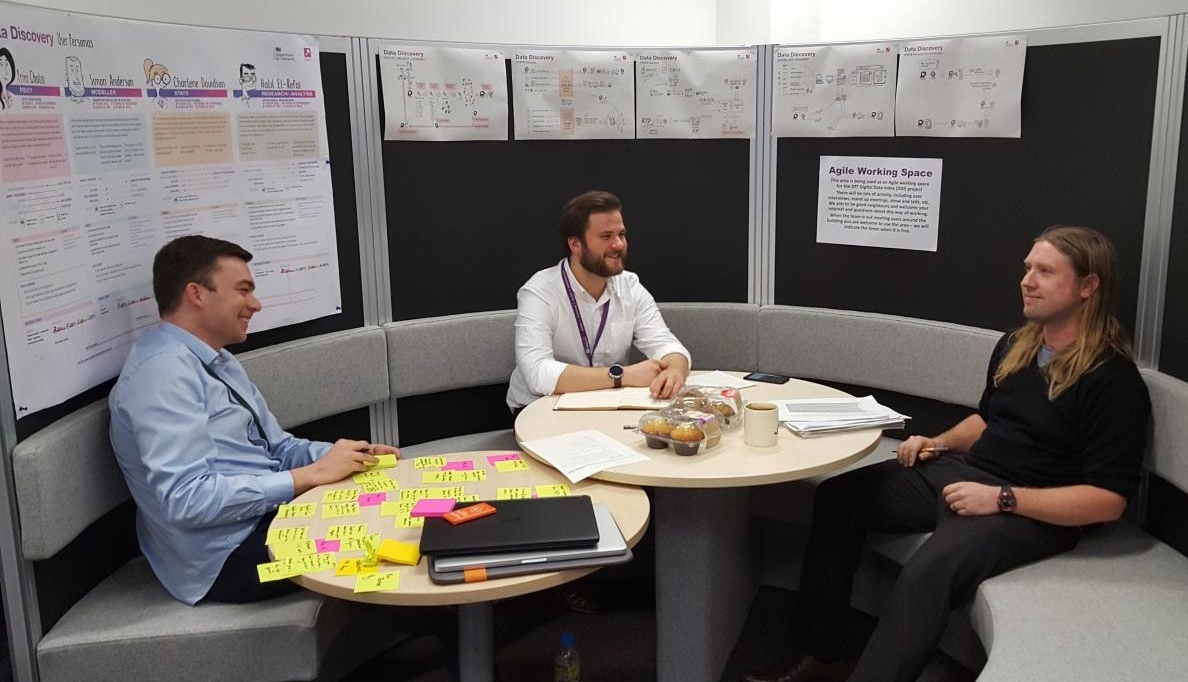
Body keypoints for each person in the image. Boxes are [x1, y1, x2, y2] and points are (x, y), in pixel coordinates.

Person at [743, 226, 1152, 682]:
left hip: (1035, 510)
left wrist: (1002, 499)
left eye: (1045, 271)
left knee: (928, 572)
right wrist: (938, 443)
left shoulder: (1113, 381)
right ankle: (823, 655)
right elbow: (990, 419)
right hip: (972, 474)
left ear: (1087, 287)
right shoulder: (1018, 346)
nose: (1027, 280)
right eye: (1027, 268)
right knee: (839, 497)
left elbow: (1108, 499)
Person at [110, 235, 399, 605]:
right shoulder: (162, 374)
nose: (255, 304)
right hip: (228, 559)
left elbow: (277, 447)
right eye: (243, 291)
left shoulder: (216, 359)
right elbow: (186, 500)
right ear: (197, 294)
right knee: (378, 546)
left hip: (267, 521)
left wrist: (344, 457)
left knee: (393, 513)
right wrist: (306, 477)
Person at [507, 190, 691, 413]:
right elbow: (538, 374)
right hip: (541, 408)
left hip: (606, 405)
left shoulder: (630, 286)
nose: (618, 245)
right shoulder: (540, 292)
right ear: (575, 245)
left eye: (621, 235)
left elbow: (667, 345)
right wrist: (622, 375)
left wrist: (674, 371)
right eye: (606, 237)